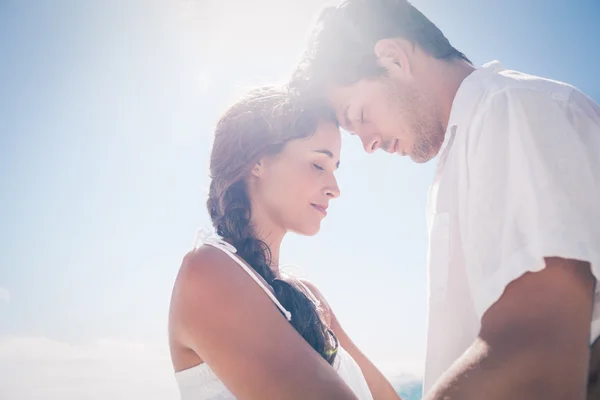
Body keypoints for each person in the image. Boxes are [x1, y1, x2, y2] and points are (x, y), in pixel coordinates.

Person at [290, 0, 600, 399]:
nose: (368, 144)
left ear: (394, 59)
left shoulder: (511, 110)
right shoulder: (467, 148)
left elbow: (537, 343)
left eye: (360, 115)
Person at [168, 86, 401, 400]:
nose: (335, 188)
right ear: (257, 161)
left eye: (335, 170)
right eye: (319, 165)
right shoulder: (207, 272)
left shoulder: (311, 300)